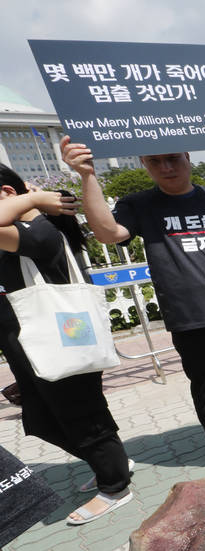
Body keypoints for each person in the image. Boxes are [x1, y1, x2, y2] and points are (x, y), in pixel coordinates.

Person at [61, 141, 205, 472]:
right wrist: (87, 176)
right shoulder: (140, 204)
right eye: (155, 161)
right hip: (188, 315)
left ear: (188, 156)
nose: (166, 167)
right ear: (144, 163)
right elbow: (109, 233)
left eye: (172, 158)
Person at [0, 165, 134, 525]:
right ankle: (112, 459)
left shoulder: (40, 232)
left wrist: (34, 199)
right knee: (41, 421)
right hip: (29, 351)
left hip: (61, 345)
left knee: (83, 419)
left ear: (7, 195)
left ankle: (115, 485)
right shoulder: (13, 234)